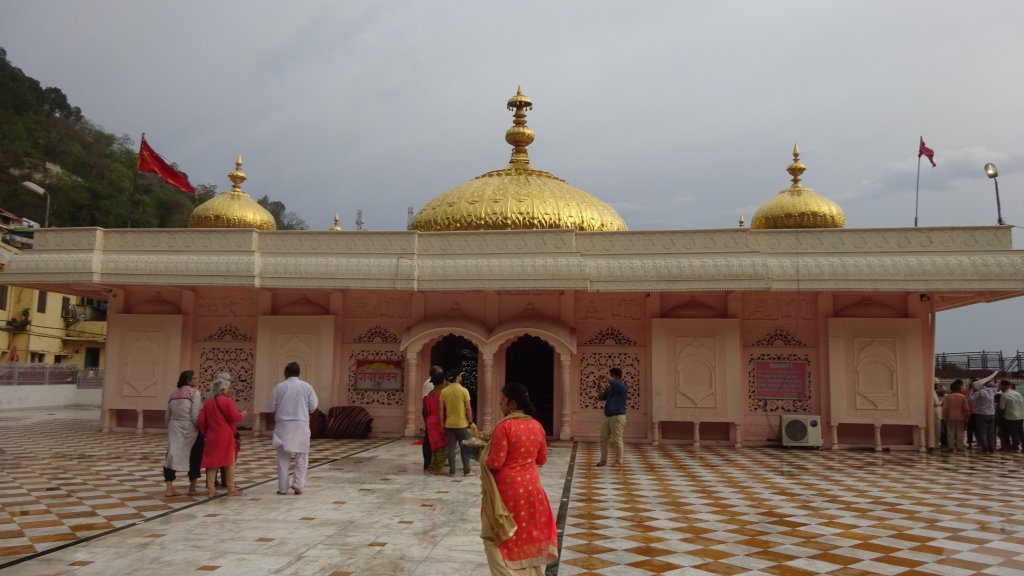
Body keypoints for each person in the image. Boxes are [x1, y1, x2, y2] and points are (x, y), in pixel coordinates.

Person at [480, 382, 558, 575]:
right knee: (525, 535)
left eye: (502, 399)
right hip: (532, 488)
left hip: (507, 491)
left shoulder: (504, 427)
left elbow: (496, 462)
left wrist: (481, 454)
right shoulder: (537, 426)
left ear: (512, 403)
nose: (500, 403)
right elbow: (542, 459)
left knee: (497, 535)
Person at [267, 362, 319, 495]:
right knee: (302, 456)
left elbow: (271, 407)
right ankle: (298, 485)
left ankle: (283, 488)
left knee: (283, 459)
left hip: (283, 426)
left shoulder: (279, 387)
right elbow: (313, 406)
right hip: (301, 425)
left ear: (286, 373)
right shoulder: (307, 387)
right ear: (299, 373)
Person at [198, 373, 247, 497]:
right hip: (226, 435)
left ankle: (211, 490)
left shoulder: (208, 403)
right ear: (222, 389)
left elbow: (201, 421)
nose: (230, 390)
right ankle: (230, 489)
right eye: (228, 388)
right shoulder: (227, 401)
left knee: (212, 463)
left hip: (212, 436)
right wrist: (243, 414)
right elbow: (235, 417)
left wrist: (206, 431)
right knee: (229, 462)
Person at [163, 370, 202, 497]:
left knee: (171, 456)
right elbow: (195, 415)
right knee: (195, 456)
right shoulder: (194, 393)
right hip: (190, 428)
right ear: (188, 380)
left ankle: (169, 488)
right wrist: (200, 428)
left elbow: (168, 415)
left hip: (174, 427)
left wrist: (171, 427)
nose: (196, 380)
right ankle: (192, 488)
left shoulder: (173, 394)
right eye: (194, 378)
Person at [439, 368, 475, 477]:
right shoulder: (464, 390)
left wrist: (442, 423)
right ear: (457, 377)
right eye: (460, 376)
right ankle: (467, 470)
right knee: (464, 447)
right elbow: (468, 408)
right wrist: (470, 420)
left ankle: (452, 471)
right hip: (461, 423)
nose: (461, 378)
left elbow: (441, 410)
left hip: (449, 423)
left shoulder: (444, 391)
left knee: (451, 447)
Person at [597, 366, 627, 467]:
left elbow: (614, 383)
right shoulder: (610, 388)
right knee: (603, 439)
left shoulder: (622, 386)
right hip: (608, 416)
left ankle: (619, 461)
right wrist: (599, 386)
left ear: (617, 376)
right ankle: (603, 460)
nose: (611, 378)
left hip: (618, 416)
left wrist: (606, 376)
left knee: (617, 439)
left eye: (612, 375)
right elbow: (601, 398)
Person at [422, 369, 448, 474]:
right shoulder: (443, 393)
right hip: (439, 421)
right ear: (442, 381)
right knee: (441, 445)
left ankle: (433, 465)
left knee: (434, 445)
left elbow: (426, 410)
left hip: (430, 420)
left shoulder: (430, 394)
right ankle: (437, 468)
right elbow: (444, 409)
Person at [970, 378, 998, 453]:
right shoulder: (991, 390)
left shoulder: (979, 392)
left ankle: (985, 447)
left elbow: (970, 398)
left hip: (981, 414)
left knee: (983, 432)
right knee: (991, 432)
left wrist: (972, 390)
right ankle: (992, 448)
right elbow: (996, 387)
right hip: (992, 414)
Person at [942, 379, 970, 452]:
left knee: (950, 432)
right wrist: (967, 417)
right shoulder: (963, 397)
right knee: (960, 432)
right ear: (959, 389)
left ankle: (951, 447)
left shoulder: (947, 397)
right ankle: (959, 447)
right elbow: (966, 409)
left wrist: (944, 417)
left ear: (951, 389)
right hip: (960, 417)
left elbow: (945, 408)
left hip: (950, 417)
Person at [998, 380, 1024, 451]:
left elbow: (1002, 407)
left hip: (1010, 416)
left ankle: (1015, 446)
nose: (999, 387)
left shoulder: (1004, 395)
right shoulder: (1017, 393)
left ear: (1003, 386)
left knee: (1012, 432)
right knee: (1020, 431)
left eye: (1000, 385)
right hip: (1020, 415)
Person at [933, 384, 946, 449]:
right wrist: (940, 403)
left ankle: (939, 443)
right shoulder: (933, 393)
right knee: (938, 429)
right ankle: (936, 443)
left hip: (940, 414)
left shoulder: (934, 392)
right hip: (937, 414)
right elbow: (936, 403)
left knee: (940, 430)